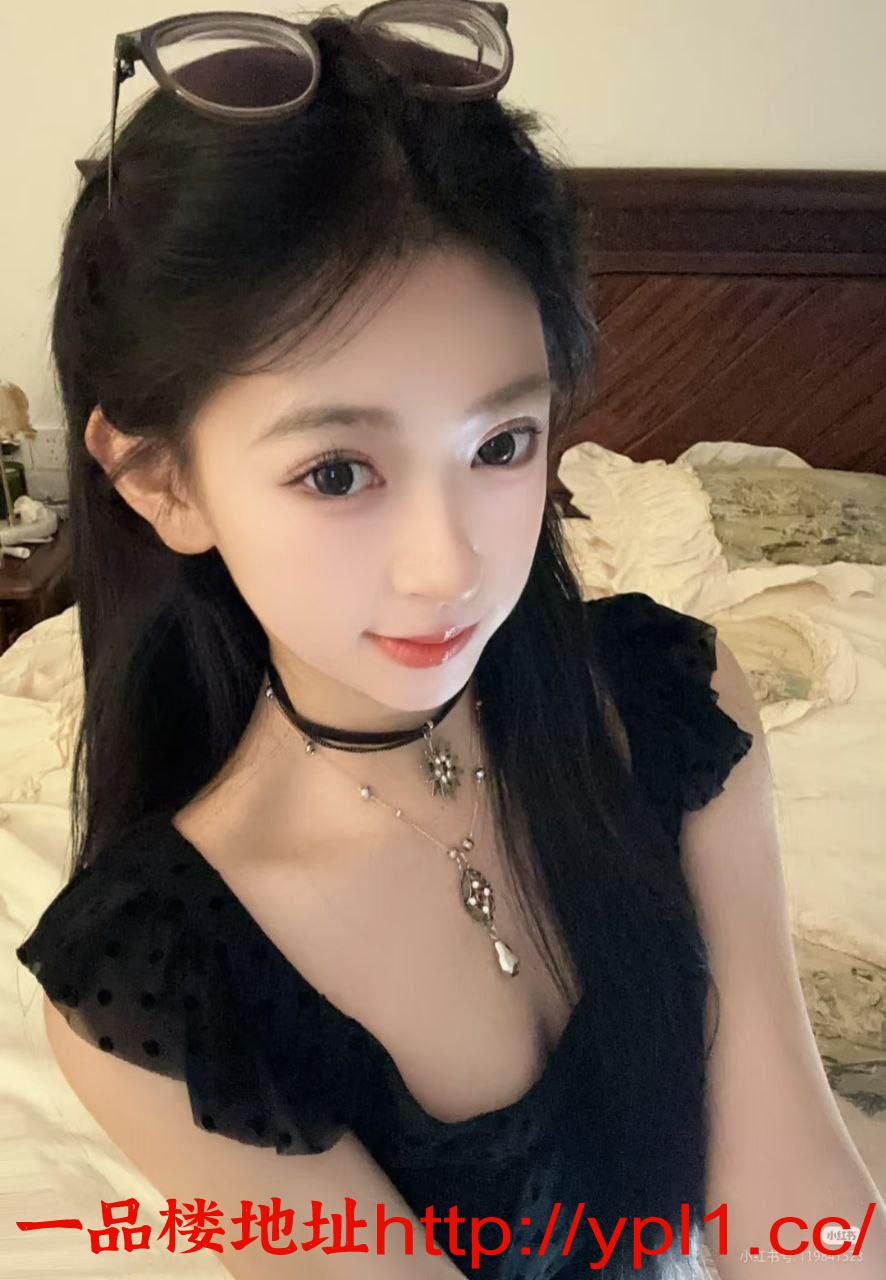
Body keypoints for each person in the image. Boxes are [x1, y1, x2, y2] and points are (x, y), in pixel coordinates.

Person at [16, 5, 885, 1278]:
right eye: (336, 470)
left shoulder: (670, 704)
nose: (450, 565)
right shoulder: (161, 985)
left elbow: (791, 1191)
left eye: (501, 444)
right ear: (162, 480)